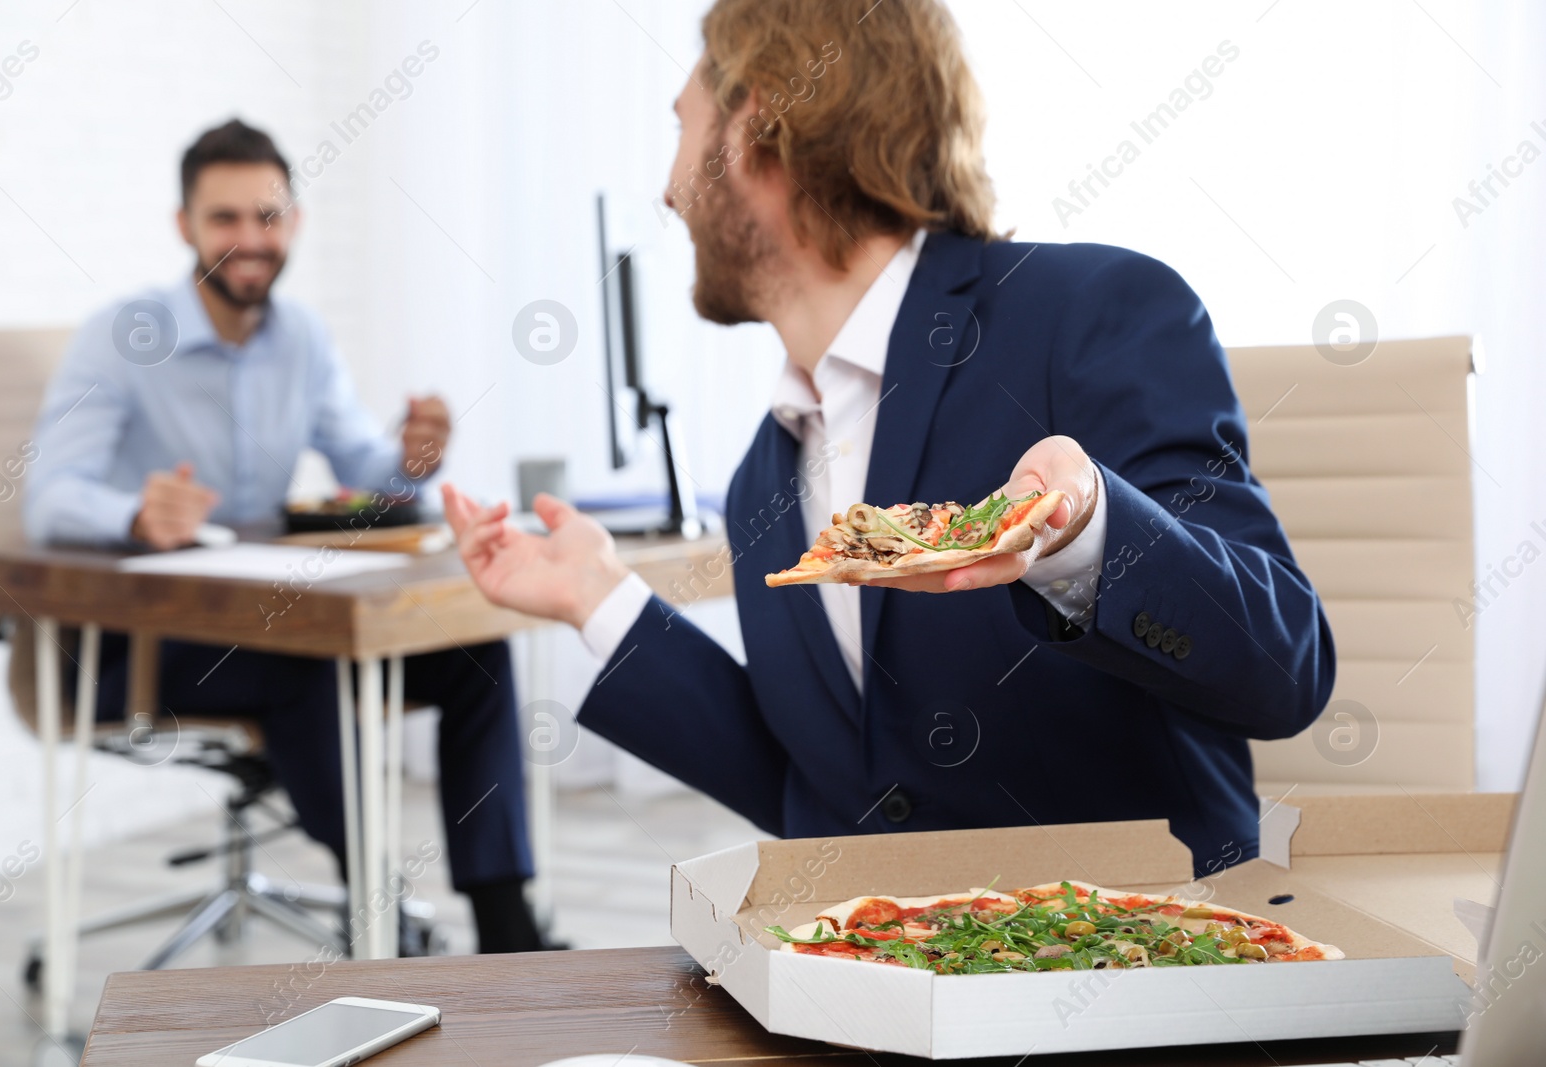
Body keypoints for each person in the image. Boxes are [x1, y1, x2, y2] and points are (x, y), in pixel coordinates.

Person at [441, 0, 1335, 878]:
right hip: (896, 987)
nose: (666, 189)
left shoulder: (1090, 312)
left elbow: (1285, 666)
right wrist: (600, 598)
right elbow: (830, 795)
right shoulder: (768, 473)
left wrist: (1090, 533)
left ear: (756, 121)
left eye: (683, 127)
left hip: (1140, 972)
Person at [25, 119, 546, 952]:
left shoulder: (299, 338)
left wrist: (410, 460)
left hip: (271, 620)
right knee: (309, 649)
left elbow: (364, 471)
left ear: (293, 223)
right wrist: (132, 515)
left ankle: (506, 919)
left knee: (476, 646)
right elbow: (47, 498)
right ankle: (377, 908)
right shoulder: (123, 338)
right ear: (184, 226)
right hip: (147, 640)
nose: (248, 239)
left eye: (266, 217)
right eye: (224, 218)